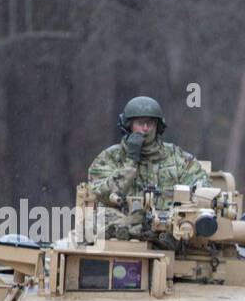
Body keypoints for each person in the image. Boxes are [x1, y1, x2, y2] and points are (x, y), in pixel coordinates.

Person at [86, 96, 210, 238]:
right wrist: (131, 161)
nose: (145, 129)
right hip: (118, 236)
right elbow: (102, 194)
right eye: (140, 123)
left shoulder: (176, 157)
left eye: (150, 123)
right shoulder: (110, 157)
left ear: (157, 126)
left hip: (172, 231)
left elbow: (202, 189)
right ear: (128, 125)